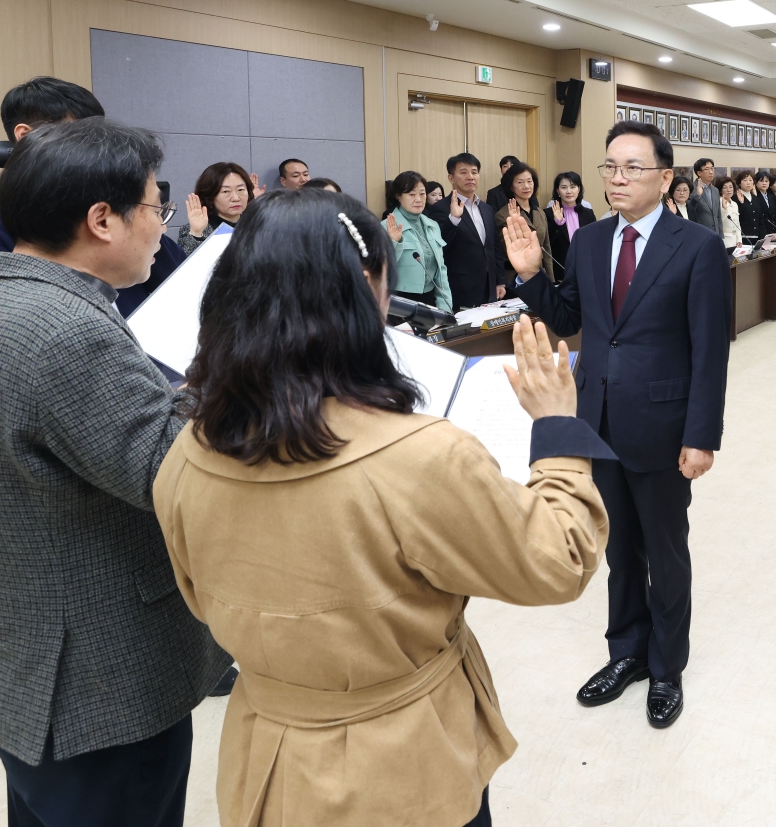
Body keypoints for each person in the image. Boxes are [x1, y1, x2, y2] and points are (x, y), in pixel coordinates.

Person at [155, 189, 612, 827]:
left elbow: (199, 594)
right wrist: (557, 429)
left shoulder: (189, 449)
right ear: (368, 289)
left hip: (268, 753)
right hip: (402, 763)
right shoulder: (420, 456)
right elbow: (561, 559)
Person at [0, 118, 230, 827]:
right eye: (156, 206)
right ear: (102, 219)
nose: (161, 225)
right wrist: (222, 368)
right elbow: (176, 474)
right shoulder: (67, 331)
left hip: (30, 660)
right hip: (99, 681)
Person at [503, 119, 731, 730]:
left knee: (664, 549)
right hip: (598, 420)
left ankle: (666, 667)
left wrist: (702, 436)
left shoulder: (698, 247)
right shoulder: (591, 240)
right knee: (619, 551)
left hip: (663, 425)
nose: (617, 177)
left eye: (631, 167)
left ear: (664, 177)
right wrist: (530, 276)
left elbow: (710, 350)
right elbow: (573, 317)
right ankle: (625, 653)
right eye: (609, 166)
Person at [0, 77, 190, 316]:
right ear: (26, 136)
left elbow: (181, 278)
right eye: (83, 137)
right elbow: (2, 321)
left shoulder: (117, 206)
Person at [428, 152, 505, 310]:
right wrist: (453, 220)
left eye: (474, 172)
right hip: (461, 287)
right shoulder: (441, 209)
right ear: (451, 178)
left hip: (489, 286)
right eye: (463, 172)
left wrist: (499, 280)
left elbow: (493, 247)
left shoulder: (487, 209)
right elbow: (439, 246)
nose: (470, 177)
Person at [383, 170, 453, 311]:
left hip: (429, 299)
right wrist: (394, 242)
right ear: (398, 196)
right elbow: (381, 270)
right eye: (411, 194)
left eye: (422, 194)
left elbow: (441, 270)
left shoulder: (432, 225)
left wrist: (446, 307)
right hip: (399, 301)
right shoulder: (386, 227)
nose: (418, 199)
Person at [496, 163, 556, 281]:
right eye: (520, 182)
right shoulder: (502, 215)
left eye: (529, 181)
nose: (526, 186)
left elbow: (547, 248)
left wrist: (551, 278)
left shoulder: (540, 213)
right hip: (515, 277)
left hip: (540, 274)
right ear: (511, 186)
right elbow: (504, 251)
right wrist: (515, 222)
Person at [178, 162, 253, 255]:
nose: (235, 198)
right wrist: (196, 233)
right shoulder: (194, 229)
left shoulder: (257, 225)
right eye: (226, 191)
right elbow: (185, 264)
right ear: (211, 196)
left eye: (241, 190)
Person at [547, 171, 597, 272]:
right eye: (564, 187)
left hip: (585, 266)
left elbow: (594, 242)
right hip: (560, 269)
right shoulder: (548, 213)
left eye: (573, 187)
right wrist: (558, 222)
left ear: (579, 189)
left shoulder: (588, 213)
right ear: (557, 190)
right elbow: (547, 244)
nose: (569, 191)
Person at [684, 158, 723, 238]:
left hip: (715, 235)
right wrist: (698, 195)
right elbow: (689, 209)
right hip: (699, 234)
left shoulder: (715, 190)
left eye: (712, 168)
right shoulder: (691, 188)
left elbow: (718, 216)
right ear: (699, 173)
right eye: (707, 169)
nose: (711, 172)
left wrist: (721, 236)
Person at [736, 172, 765, 243]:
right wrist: (741, 203)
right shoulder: (735, 198)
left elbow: (760, 219)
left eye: (750, 180)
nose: (748, 183)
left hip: (757, 238)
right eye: (745, 180)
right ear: (739, 183)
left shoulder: (756, 199)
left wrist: (762, 237)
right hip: (743, 238)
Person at [717, 175, 742, 247]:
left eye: (731, 187)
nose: (729, 190)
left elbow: (737, 224)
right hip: (725, 239)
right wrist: (724, 209)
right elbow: (719, 221)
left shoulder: (734, 204)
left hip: (735, 240)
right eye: (725, 187)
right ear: (720, 190)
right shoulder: (718, 202)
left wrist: (739, 240)